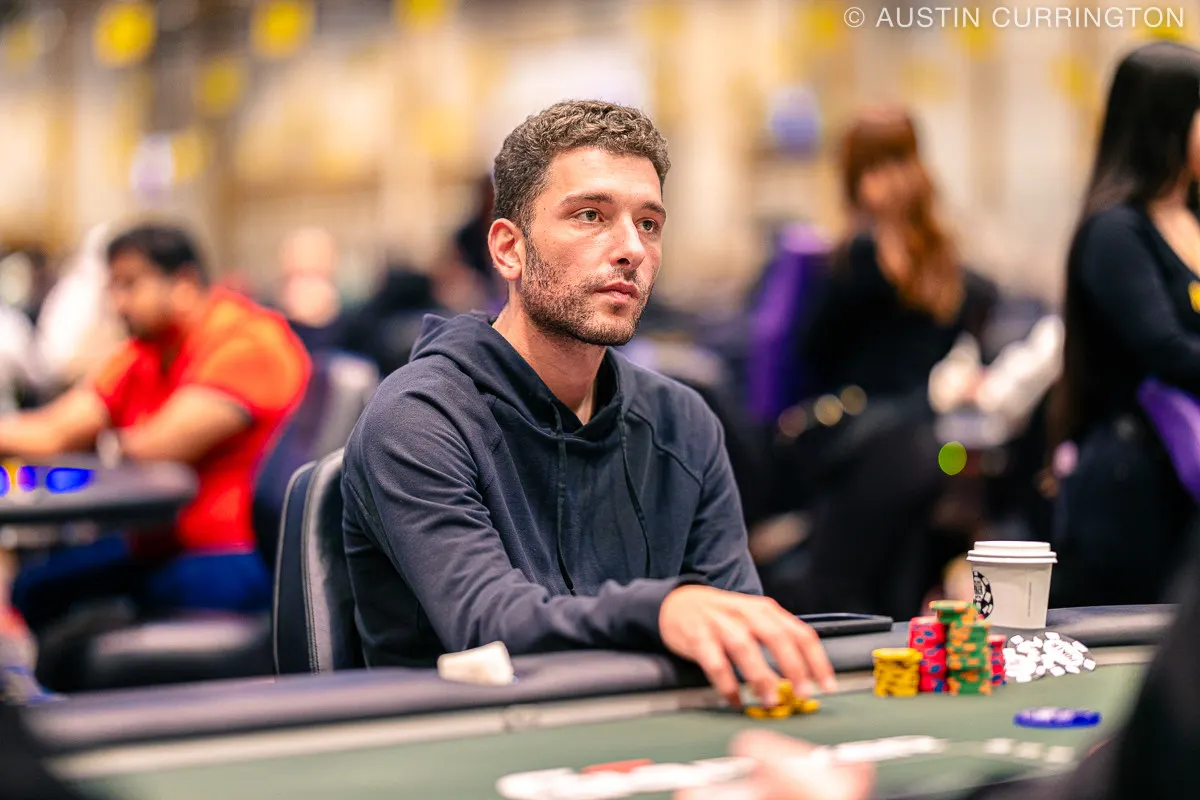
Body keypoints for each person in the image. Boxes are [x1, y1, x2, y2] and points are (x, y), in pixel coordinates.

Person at [341, 99, 835, 708]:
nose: (631, 248)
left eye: (648, 224)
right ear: (509, 249)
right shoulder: (416, 419)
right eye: (590, 215)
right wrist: (662, 610)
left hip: (650, 740)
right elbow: (487, 626)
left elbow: (735, 627)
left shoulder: (684, 423)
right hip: (468, 740)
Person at [0, 223, 311, 637]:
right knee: (33, 587)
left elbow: (160, 446)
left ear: (184, 283)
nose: (117, 303)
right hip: (160, 544)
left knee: (75, 621)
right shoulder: (147, 349)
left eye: (130, 285)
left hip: (231, 552)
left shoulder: (248, 341)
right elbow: (54, 431)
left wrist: (107, 442)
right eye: (113, 287)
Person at [763, 109, 995, 620]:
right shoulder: (940, 257)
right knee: (900, 600)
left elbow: (811, 349)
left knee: (834, 597)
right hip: (925, 447)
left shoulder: (861, 254)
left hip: (866, 446)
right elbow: (976, 307)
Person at [1047, 40, 1200, 608]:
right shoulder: (1116, 232)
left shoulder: (1192, 217)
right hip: (1135, 486)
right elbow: (1165, 347)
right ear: (1168, 124)